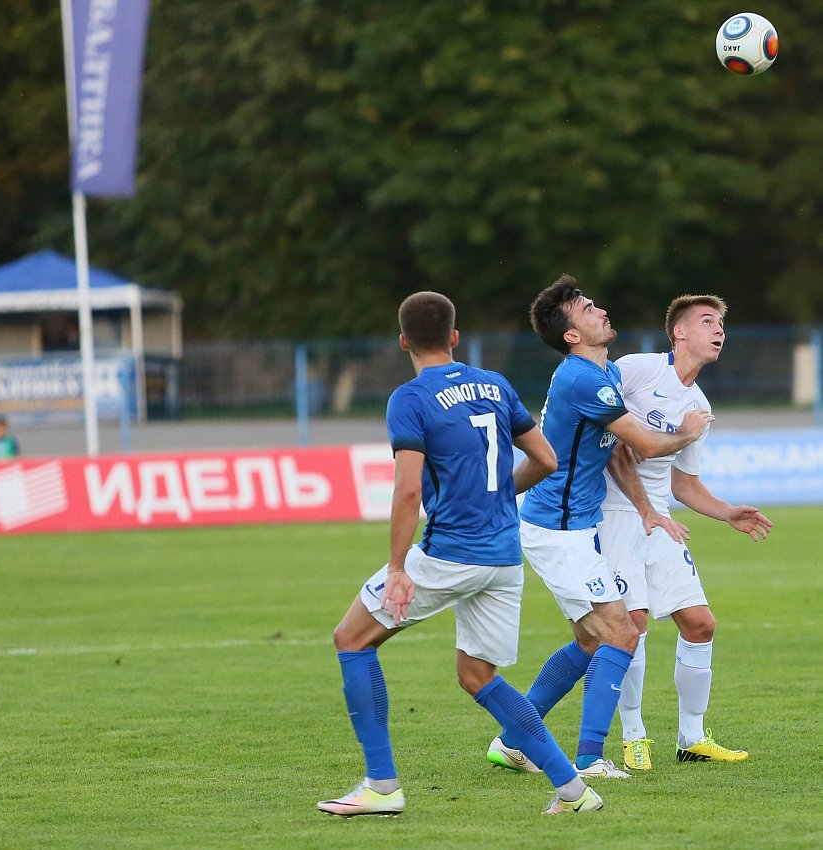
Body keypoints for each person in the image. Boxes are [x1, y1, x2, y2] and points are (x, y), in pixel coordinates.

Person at [317, 291, 604, 818]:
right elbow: (546, 458)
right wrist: (498, 497)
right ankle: (573, 790)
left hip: (450, 552)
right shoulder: (494, 384)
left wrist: (398, 568)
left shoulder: (410, 398)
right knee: (477, 675)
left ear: (403, 342)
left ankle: (382, 785)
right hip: (504, 555)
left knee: (351, 639)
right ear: (454, 337)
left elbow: (408, 490)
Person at [486, 274, 712, 780]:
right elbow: (647, 445)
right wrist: (686, 432)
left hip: (574, 527)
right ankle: (589, 760)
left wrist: (646, 510)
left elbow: (618, 454)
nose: (601, 310)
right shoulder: (583, 380)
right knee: (620, 632)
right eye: (588, 309)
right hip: (557, 530)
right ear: (571, 334)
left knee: (593, 641)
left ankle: (513, 739)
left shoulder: (603, 370)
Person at [598, 294, 772, 770]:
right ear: (679, 332)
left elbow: (684, 484)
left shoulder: (699, 406)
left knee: (700, 623)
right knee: (631, 625)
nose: (719, 331)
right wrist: (676, 435)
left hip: (660, 518)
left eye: (721, 325)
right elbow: (601, 423)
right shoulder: (637, 370)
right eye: (707, 321)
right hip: (613, 513)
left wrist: (728, 512)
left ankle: (691, 738)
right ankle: (634, 736)